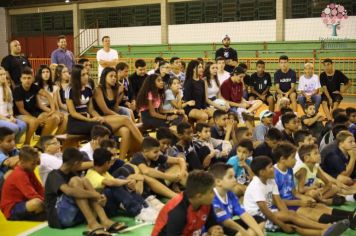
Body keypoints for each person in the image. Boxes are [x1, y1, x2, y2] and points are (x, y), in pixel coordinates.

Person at [244, 155, 349, 235]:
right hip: (257, 217)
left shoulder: (271, 181)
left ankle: (323, 231)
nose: (273, 169)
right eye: (270, 167)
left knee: (293, 218)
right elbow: (265, 211)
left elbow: (279, 201)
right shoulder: (256, 185)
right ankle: (325, 228)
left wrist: (287, 215)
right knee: (292, 223)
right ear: (262, 172)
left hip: (271, 211)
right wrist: (282, 224)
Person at [273, 142, 356, 227]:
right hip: (284, 206)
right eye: (293, 158)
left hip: (293, 200)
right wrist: (299, 202)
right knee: (310, 212)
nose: (296, 160)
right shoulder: (274, 174)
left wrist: (305, 199)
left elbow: (295, 193)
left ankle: (350, 215)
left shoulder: (289, 170)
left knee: (319, 206)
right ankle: (348, 221)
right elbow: (276, 201)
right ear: (282, 159)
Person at [85, 148, 151, 220]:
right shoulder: (91, 174)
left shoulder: (104, 173)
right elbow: (110, 183)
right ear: (107, 163)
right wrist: (127, 181)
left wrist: (127, 183)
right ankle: (138, 211)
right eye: (110, 162)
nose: (110, 165)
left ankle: (144, 206)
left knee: (121, 178)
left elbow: (116, 181)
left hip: (110, 205)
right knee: (113, 186)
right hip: (100, 209)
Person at [152, 170, 221, 236]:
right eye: (211, 192)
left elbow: (212, 224)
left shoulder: (206, 203)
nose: (214, 194)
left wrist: (215, 230)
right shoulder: (178, 212)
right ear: (199, 196)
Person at [210, 163, 265, 236]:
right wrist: (244, 232)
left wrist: (261, 234)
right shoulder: (211, 197)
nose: (235, 180)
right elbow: (227, 222)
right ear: (218, 182)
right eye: (230, 177)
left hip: (230, 225)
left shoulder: (230, 194)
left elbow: (244, 214)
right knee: (238, 233)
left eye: (234, 176)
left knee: (259, 220)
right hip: (217, 228)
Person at [13, 67, 60, 145]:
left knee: (54, 118)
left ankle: (40, 143)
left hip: (34, 112)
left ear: (32, 79)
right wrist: (36, 120)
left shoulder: (34, 87)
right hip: (20, 114)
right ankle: (26, 144)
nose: (27, 80)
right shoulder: (17, 90)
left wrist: (52, 110)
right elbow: (21, 109)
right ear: (21, 79)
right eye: (24, 78)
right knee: (34, 121)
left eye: (29, 78)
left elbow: (48, 96)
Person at [0, 146, 45, 221]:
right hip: (11, 209)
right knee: (36, 203)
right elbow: (31, 194)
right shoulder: (19, 174)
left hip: (23, 202)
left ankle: (40, 214)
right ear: (22, 162)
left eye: (36, 164)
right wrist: (48, 204)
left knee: (46, 192)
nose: (35, 166)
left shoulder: (29, 169)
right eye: (33, 164)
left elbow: (39, 188)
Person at [35, 64, 67, 135]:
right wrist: (54, 112)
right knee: (56, 118)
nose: (46, 74)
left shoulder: (54, 86)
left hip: (52, 107)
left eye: (47, 72)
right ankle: (44, 139)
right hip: (41, 110)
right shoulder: (35, 86)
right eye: (43, 72)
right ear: (40, 74)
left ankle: (57, 137)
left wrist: (58, 111)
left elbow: (55, 102)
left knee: (65, 118)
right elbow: (40, 105)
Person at [0, 67, 26, 142]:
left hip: (6, 116)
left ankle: (13, 145)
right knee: (15, 128)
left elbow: (10, 107)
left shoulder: (7, 89)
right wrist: (6, 120)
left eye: (4, 74)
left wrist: (11, 117)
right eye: (0, 74)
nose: (3, 76)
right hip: (1, 118)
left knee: (23, 125)